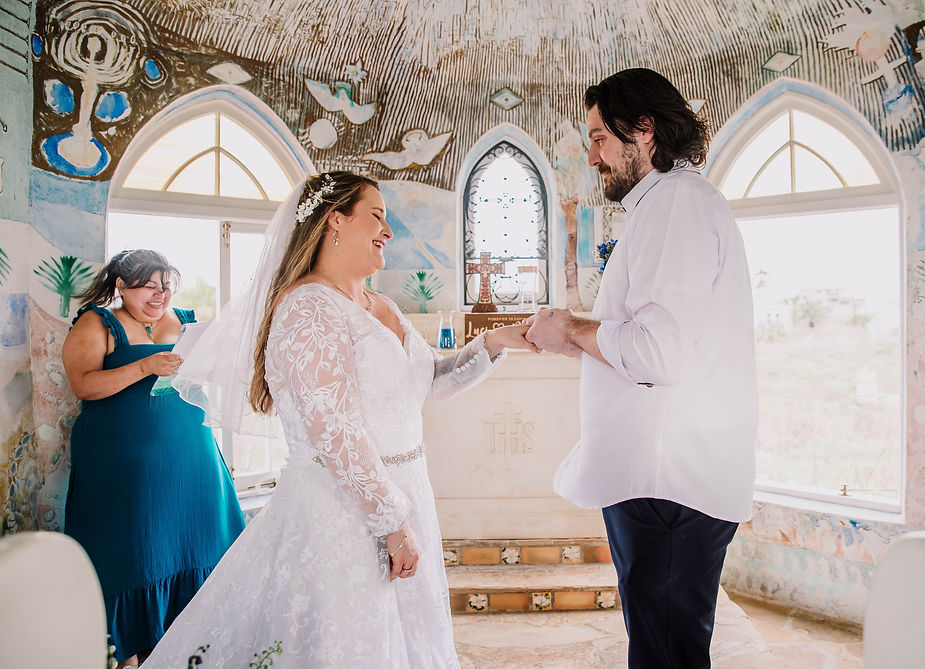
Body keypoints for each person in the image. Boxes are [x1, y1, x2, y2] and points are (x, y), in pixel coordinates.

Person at [141, 171, 535, 668]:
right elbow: (333, 428)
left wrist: (499, 341)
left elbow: (429, 378)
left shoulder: (378, 305)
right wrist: (392, 523)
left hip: (405, 494)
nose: (389, 232)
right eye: (377, 216)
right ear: (335, 221)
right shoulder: (308, 308)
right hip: (343, 512)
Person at [524, 68, 758, 668]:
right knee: (659, 647)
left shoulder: (676, 206)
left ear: (644, 130)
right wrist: (574, 340)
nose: (593, 156)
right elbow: (659, 343)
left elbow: (659, 353)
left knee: (666, 655)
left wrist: (572, 327)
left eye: (600, 138)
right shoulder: (667, 205)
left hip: (669, 486)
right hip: (663, 481)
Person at [62, 249, 245, 667]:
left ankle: (198, 647)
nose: (160, 294)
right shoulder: (98, 323)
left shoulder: (184, 319)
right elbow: (83, 385)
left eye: (166, 285)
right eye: (150, 285)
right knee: (136, 554)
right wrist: (146, 366)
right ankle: (128, 652)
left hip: (192, 459)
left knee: (199, 546)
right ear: (122, 286)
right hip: (126, 467)